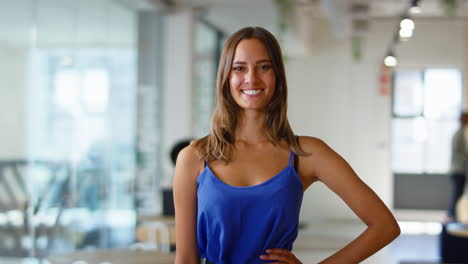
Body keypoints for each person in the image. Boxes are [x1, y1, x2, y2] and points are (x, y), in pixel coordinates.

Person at [173, 26, 400, 264]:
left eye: (263, 67)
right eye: (239, 68)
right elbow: (186, 258)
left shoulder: (307, 154)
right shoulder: (194, 158)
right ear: (226, 77)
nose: (251, 78)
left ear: (277, 76)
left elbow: (385, 226)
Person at [446, 113, 468, 221]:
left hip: (460, 170)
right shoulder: (459, 134)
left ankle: (452, 214)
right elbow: (458, 152)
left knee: (458, 194)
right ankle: (451, 215)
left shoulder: (463, 133)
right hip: (457, 170)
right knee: (457, 194)